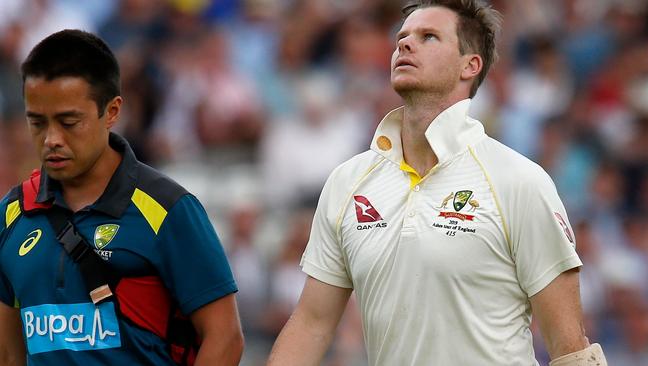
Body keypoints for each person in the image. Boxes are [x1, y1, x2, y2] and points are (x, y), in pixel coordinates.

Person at [267, 1, 608, 365]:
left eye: (428, 37)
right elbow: (311, 325)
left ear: (470, 65)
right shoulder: (347, 182)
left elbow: (570, 345)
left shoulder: (519, 180)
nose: (405, 45)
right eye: (402, 37)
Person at [0, 29, 243, 365]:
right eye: (37, 122)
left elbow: (225, 338)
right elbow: (8, 353)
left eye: (69, 122)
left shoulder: (168, 209)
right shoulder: (12, 214)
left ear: (112, 112)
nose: (51, 139)